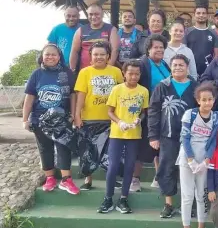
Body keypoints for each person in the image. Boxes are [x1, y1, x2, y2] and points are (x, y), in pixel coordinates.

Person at [22, 44, 79, 195]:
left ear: (59, 56)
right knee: (45, 148)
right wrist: (25, 119)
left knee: (63, 147)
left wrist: (73, 114)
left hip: (61, 119)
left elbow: (73, 94)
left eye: (54, 54)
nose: (50, 57)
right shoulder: (36, 74)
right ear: (42, 56)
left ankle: (66, 179)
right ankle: (50, 178)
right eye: (47, 54)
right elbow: (29, 97)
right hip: (40, 119)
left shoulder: (67, 72)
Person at [148, 54, 199, 218]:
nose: (178, 68)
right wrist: (153, 136)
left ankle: (190, 204)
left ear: (187, 67)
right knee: (166, 168)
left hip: (191, 137)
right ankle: (168, 204)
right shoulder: (163, 86)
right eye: (175, 65)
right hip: (167, 136)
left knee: (191, 170)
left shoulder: (195, 87)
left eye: (181, 65)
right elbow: (154, 112)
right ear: (171, 67)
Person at [98, 60, 149, 214]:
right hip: (117, 133)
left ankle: (123, 199)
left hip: (134, 134)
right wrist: (119, 122)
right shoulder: (117, 89)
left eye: (137, 74)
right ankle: (108, 198)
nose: (133, 76)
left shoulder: (143, 91)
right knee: (113, 166)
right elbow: (110, 111)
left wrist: (139, 119)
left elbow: (144, 111)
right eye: (130, 73)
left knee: (129, 167)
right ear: (124, 74)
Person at [74, 41, 124, 190]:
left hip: (111, 119)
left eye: (102, 54)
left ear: (108, 56)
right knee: (88, 150)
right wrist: (77, 115)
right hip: (89, 118)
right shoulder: (85, 72)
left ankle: (112, 178)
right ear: (90, 56)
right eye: (96, 54)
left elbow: (121, 94)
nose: (99, 57)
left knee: (110, 152)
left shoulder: (115, 71)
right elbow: (80, 96)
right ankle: (88, 180)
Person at [179, 82, 218, 228]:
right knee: (187, 196)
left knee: (201, 195)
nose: (207, 102)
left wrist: (207, 160)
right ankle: (186, 226)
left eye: (210, 99)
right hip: (187, 158)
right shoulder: (190, 114)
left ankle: (201, 225)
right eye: (204, 100)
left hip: (205, 159)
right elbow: (185, 138)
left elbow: (214, 141)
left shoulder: (217, 117)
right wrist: (190, 159)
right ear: (198, 100)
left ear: (214, 100)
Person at [131, 34, 171, 192]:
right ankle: (135, 179)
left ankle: (158, 177)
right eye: (156, 47)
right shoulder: (142, 64)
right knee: (142, 146)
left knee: (159, 146)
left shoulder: (165, 65)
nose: (159, 50)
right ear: (148, 49)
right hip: (146, 112)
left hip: (164, 112)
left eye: (162, 47)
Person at [70, 4, 119, 72]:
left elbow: (115, 50)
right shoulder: (80, 30)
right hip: (85, 71)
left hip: (105, 71)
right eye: (91, 14)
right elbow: (74, 51)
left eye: (97, 14)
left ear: (102, 14)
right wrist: (72, 69)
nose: (93, 17)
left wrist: (108, 69)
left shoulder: (111, 29)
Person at [185, 6, 218, 75]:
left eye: (203, 13)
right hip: (189, 71)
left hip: (207, 72)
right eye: (198, 13)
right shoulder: (187, 32)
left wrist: (210, 70)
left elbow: (217, 55)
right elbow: (182, 52)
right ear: (194, 15)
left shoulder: (213, 33)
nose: (201, 15)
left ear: (207, 16)